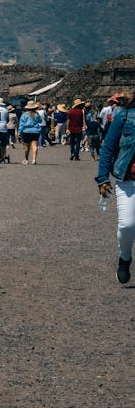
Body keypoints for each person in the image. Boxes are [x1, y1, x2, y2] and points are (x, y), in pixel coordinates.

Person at [95, 89, 135, 285]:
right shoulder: (125, 116)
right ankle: (125, 258)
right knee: (127, 226)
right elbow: (108, 147)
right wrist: (103, 178)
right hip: (128, 180)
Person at [18, 101, 43, 165]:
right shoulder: (36, 114)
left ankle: (26, 159)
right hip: (35, 131)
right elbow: (40, 121)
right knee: (35, 145)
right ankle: (34, 159)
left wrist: (19, 132)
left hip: (26, 131)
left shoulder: (24, 115)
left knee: (27, 147)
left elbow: (21, 124)